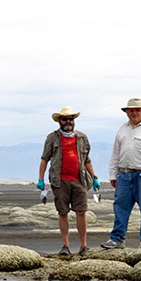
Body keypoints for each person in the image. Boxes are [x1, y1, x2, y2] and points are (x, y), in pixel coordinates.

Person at [101, 97, 141, 248]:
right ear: (126, 112)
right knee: (120, 207)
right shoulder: (122, 129)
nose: (134, 113)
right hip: (123, 174)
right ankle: (117, 239)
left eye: (137, 110)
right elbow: (115, 153)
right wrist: (113, 174)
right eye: (131, 110)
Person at [36, 107, 98, 257]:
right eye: (65, 119)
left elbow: (87, 160)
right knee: (62, 212)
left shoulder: (82, 138)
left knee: (81, 212)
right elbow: (45, 158)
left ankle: (83, 246)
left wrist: (94, 177)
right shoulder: (52, 138)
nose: (68, 121)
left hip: (79, 181)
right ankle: (66, 245)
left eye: (71, 118)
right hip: (60, 182)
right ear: (59, 121)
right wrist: (40, 178)